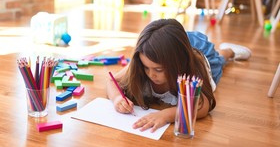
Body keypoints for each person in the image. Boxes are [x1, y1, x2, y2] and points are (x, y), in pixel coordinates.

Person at [106, 18, 251, 133]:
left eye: (158, 70)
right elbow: (111, 81)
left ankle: (228, 50)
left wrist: (167, 115)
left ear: (177, 66)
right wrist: (117, 98)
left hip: (202, 56)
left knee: (219, 61)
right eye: (146, 67)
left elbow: (203, 107)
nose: (151, 74)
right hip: (171, 44)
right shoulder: (142, 62)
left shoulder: (193, 69)